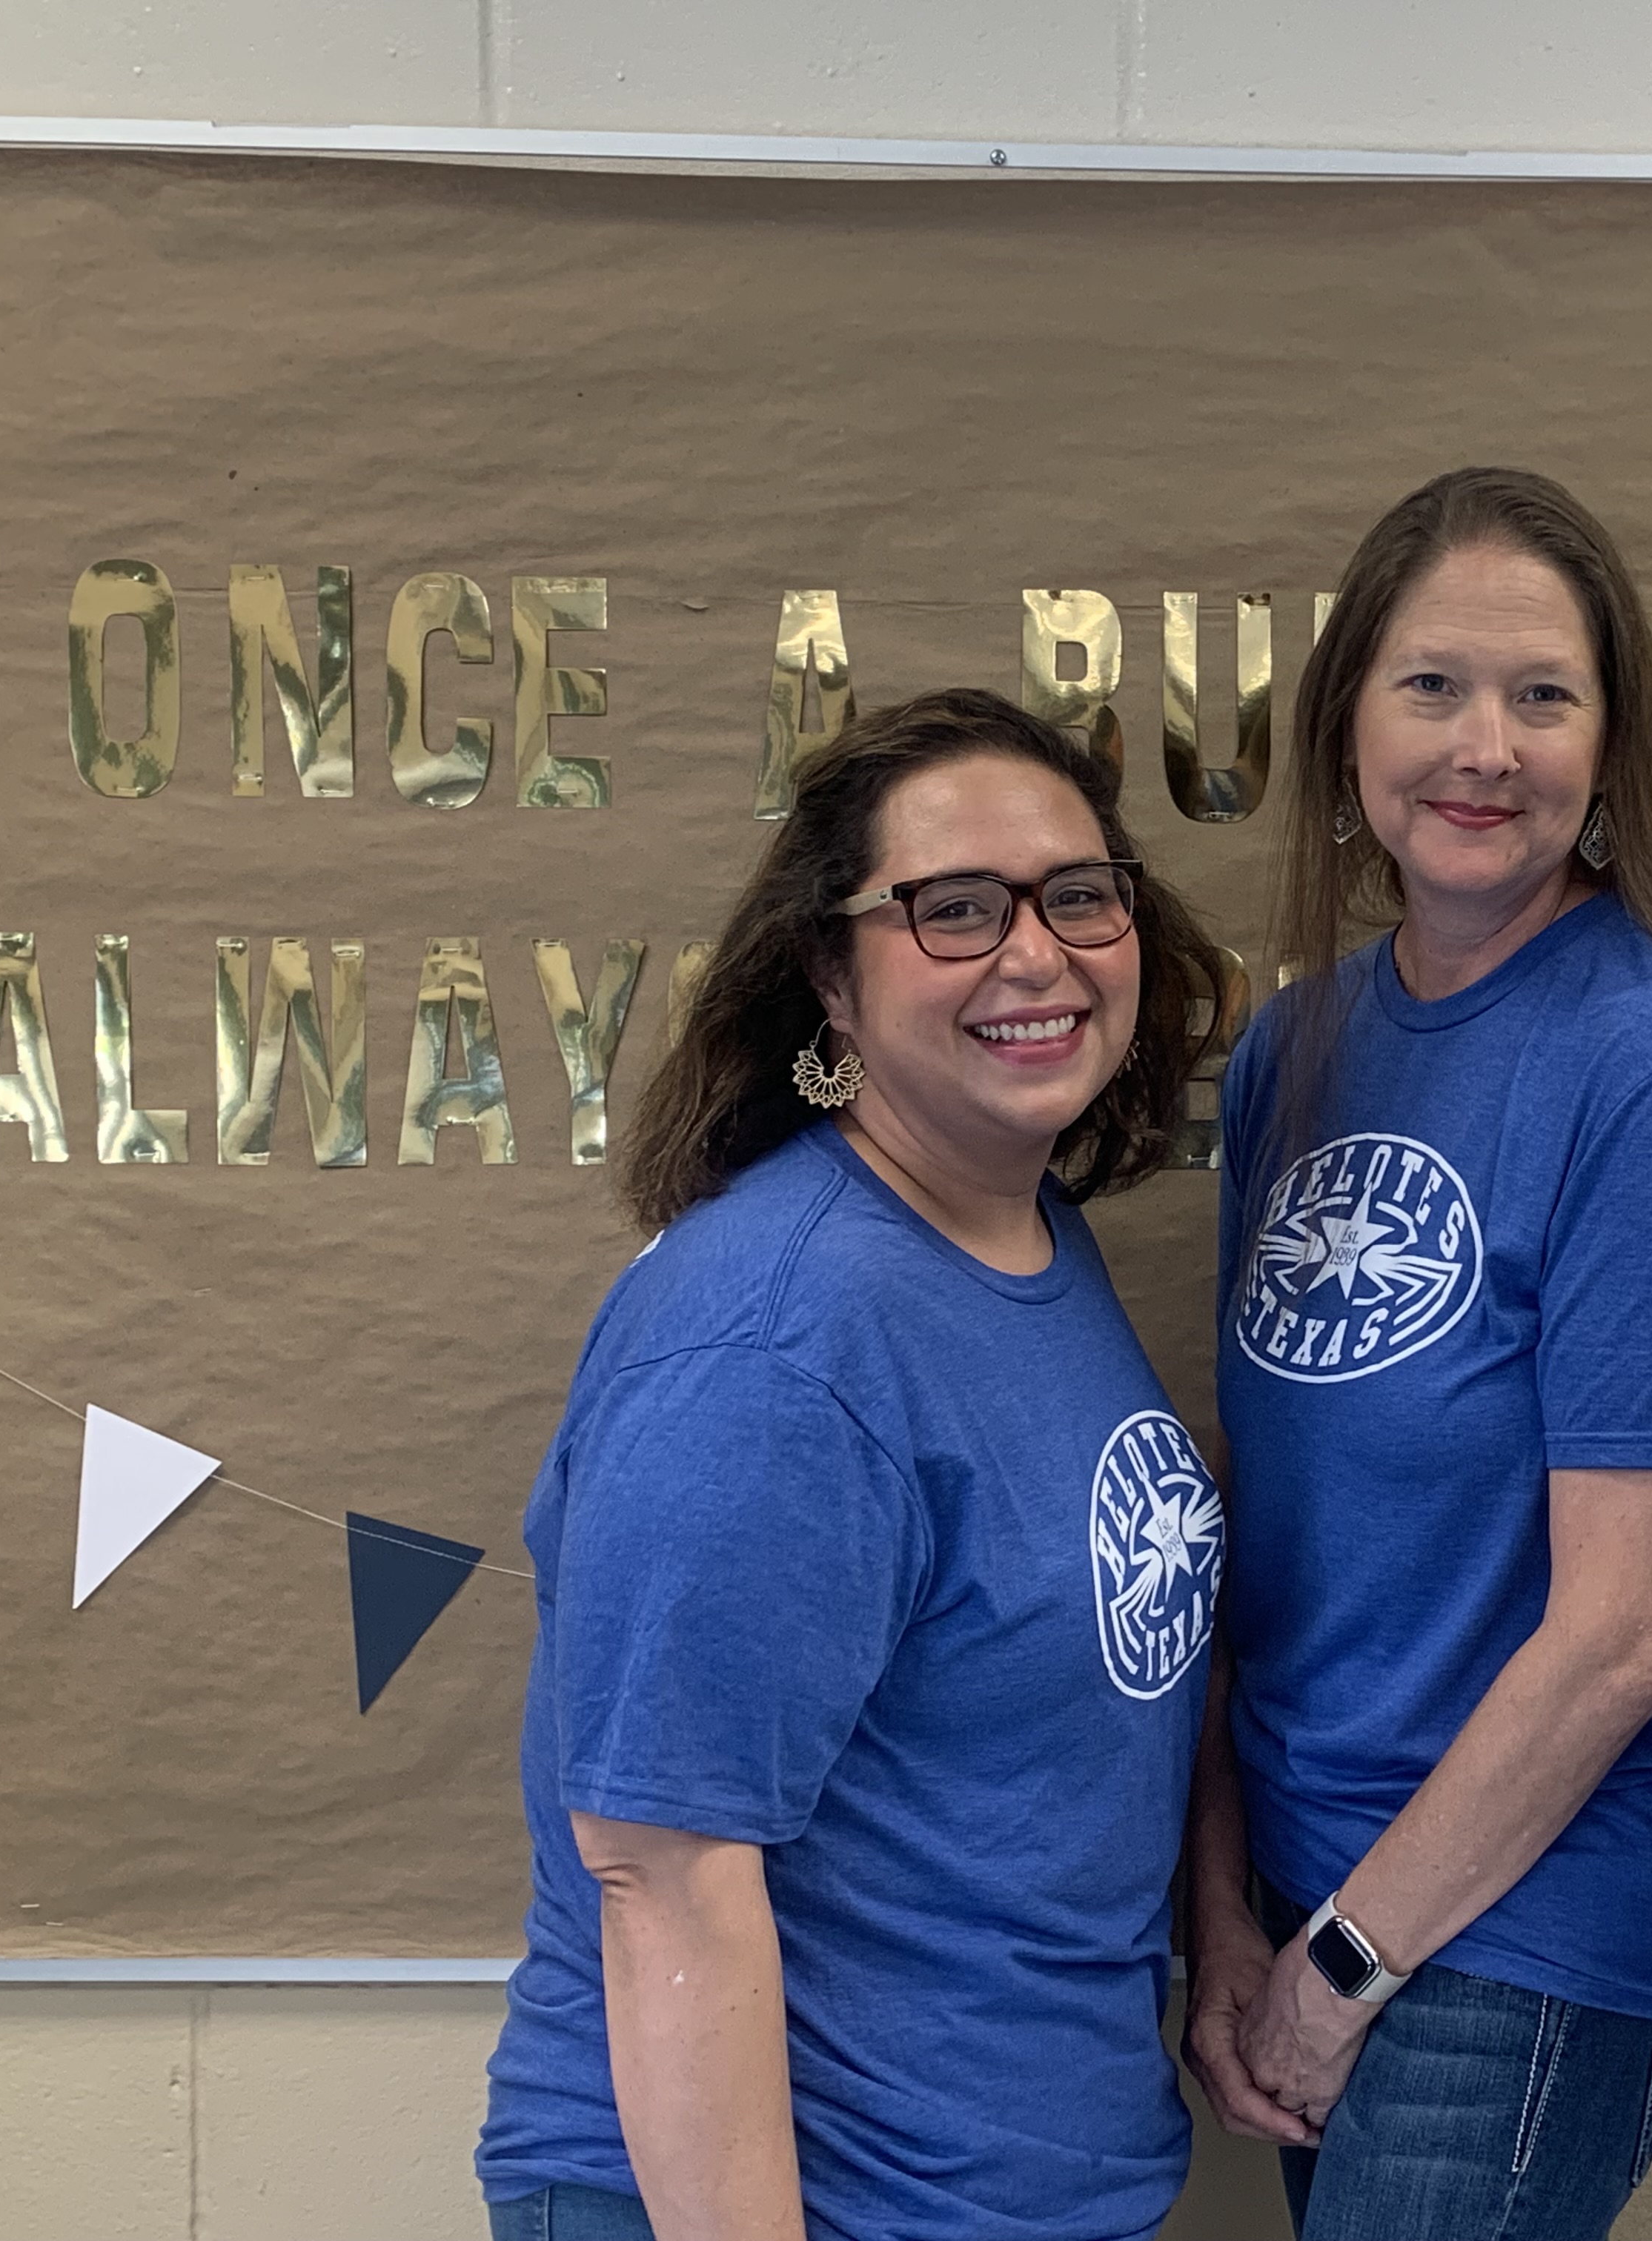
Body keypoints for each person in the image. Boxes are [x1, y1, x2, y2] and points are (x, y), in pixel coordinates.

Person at [476, 689, 1230, 2241]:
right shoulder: (774, 1343)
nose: (1037, 953)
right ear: (830, 969)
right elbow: (662, 1870)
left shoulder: (1024, 1241)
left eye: (1081, 895)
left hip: (1007, 2189)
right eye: (951, 910)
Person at [1179, 465, 1652, 2241]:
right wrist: (1230, 1911)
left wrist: (1348, 1962)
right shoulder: (1296, 1049)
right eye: (1434, 687)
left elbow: (1628, 1632)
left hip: (1532, 1923)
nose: (1487, 745)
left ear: (1610, 754)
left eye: (1543, 697)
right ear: (1348, 730)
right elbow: (1270, 1526)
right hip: (1319, 1883)